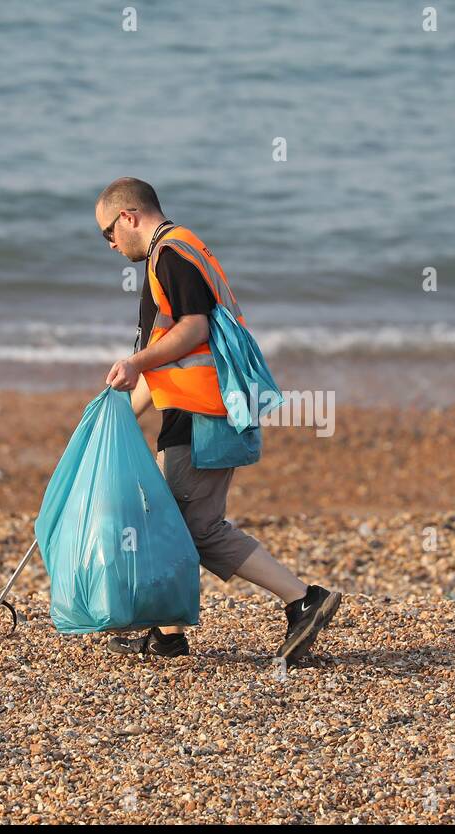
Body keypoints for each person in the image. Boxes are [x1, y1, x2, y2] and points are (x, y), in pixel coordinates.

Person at [94, 177, 341, 660]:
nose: (109, 243)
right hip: (197, 409)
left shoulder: (171, 254)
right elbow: (165, 356)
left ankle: (302, 600)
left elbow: (193, 329)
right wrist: (114, 413)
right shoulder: (180, 251)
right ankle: (169, 634)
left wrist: (136, 363)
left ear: (129, 216)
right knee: (181, 524)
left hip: (201, 413)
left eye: (107, 231)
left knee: (191, 528)